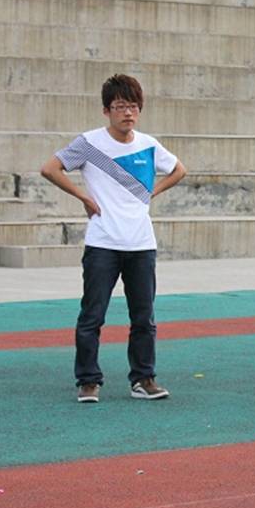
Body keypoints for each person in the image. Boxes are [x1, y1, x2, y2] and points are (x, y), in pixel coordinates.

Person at [40, 74, 186, 403]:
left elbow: (179, 169)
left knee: (144, 317)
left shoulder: (148, 144)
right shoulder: (89, 143)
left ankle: (144, 379)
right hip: (103, 242)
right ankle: (88, 381)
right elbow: (50, 168)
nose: (128, 113)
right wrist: (84, 197)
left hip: (141, 243)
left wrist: (153, 191)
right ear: (107, 110)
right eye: (120, 106)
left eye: (133, 106)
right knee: (92, 316)